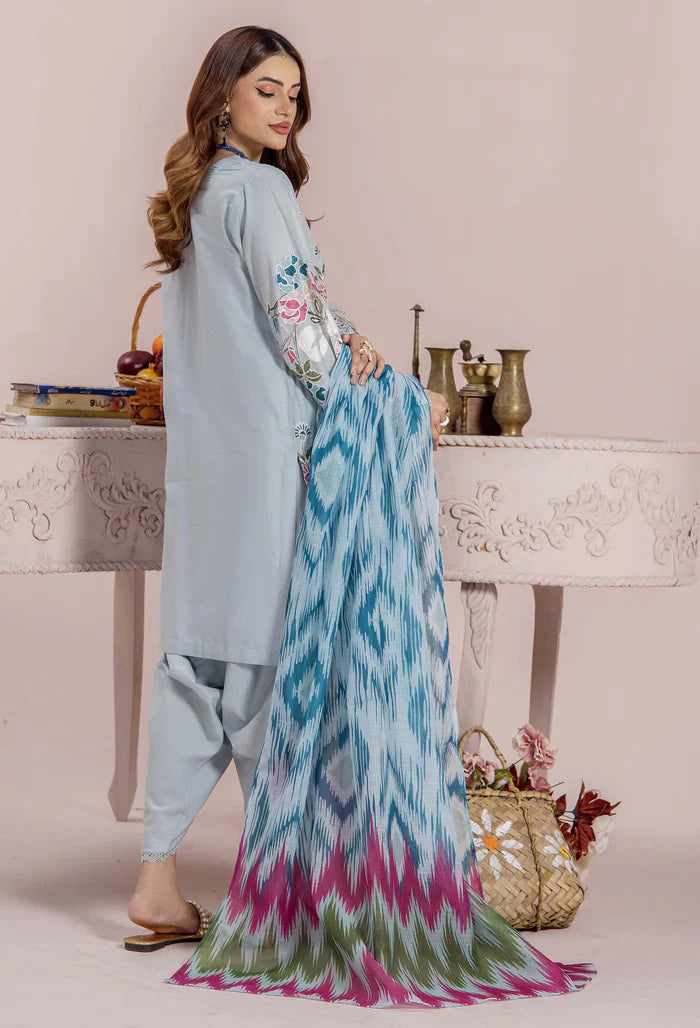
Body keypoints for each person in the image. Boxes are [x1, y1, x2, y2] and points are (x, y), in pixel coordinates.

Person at [124, 24, 450, 949]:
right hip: (271, 463)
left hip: (203, 473)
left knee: (195, 666)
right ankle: (290, 896)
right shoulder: (262, 191)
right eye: (267, 88)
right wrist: (393, 398)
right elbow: (298, 331)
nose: (285, 108)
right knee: (275, 669)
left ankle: (156, 884)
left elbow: (275, 315)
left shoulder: (196, 198)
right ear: (222, 94)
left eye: (294, 94)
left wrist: (345, 334)